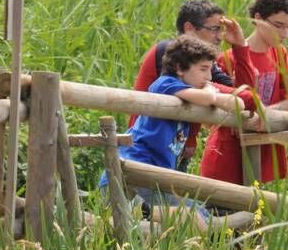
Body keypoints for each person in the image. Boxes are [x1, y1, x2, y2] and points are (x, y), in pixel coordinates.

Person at [103, 36, 256, 225]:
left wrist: (214, 95)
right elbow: (208, 98)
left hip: (153, 177)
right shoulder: (164, 83)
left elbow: (238, 103)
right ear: (180, 68)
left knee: (195, 212)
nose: (209, 77)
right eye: (203, 69)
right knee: (192, 215)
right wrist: (212, 94)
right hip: (133, 171)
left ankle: (143, 212)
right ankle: (142, 211)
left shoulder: (194, 92)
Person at [130, 0, 254, 170]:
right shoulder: (170, 53)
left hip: (173, 149)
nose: (220, 36)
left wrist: (240, 46)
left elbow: (244, 92)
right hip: (147, 150)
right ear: (189, 28)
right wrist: (223, 96)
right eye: (214, 29)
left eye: (221, 30)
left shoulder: (203, 66)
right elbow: (244, 97)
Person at [200, 0, 288, 186]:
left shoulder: (280, 55)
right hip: (228, 157)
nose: (285, 33)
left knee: (259, 213)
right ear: (258, 18)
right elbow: (210, 114)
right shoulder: (227, 59)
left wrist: (264, 114)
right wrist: (255, 115)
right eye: (278, 25)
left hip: (265, 155)